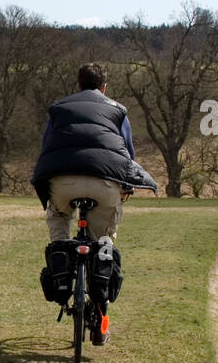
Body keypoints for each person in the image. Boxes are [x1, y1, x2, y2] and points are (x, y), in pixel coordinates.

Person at [31, 62, 157, 344]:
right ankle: (100, 318)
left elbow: (47, 146)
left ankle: (61, 259)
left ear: (77, 85)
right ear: (105, 87)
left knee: (59, 216)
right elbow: (127, 152)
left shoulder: (59, 109)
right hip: (105, 181)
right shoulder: (117, 110)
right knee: (104, 242)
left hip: (63, 181)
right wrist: (126, 188)